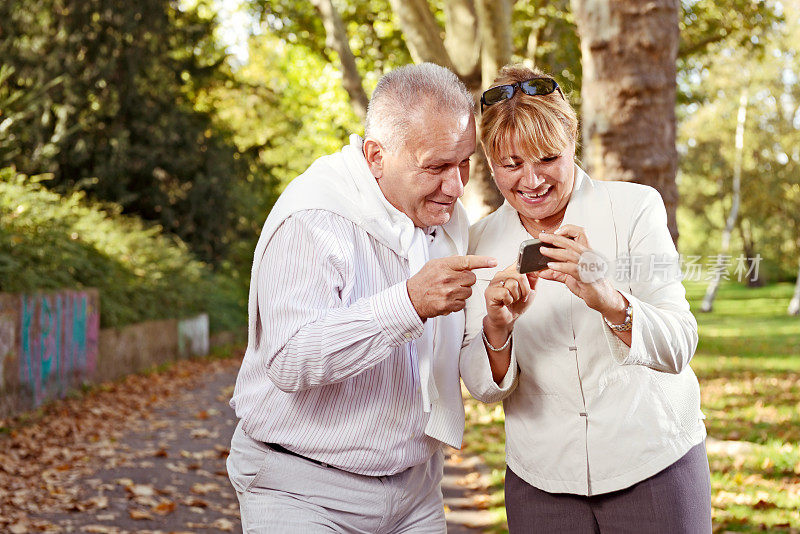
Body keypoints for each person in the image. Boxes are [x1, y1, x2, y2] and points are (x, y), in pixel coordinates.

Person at [226, 63, 496, 533]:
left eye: (464, 161)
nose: (456, 186)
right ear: (376, 156)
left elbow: (460, 360)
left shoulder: (446, 219)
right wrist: (408, 304)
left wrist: (499, 324)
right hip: (299, 491)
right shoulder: (312, 218)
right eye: (436, 166)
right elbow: (290, 359)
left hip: (415, 494)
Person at [459, 64, 712, 533]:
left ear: (571, 142)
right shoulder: (479, 241)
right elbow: (483, 388)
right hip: (542, 481)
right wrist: (497, 328)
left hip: (655, 463)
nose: (531, 181)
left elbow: (680, 344)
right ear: (490, 164)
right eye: (511, 165)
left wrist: (608, 298)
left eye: (547, 158)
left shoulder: (635, 208)